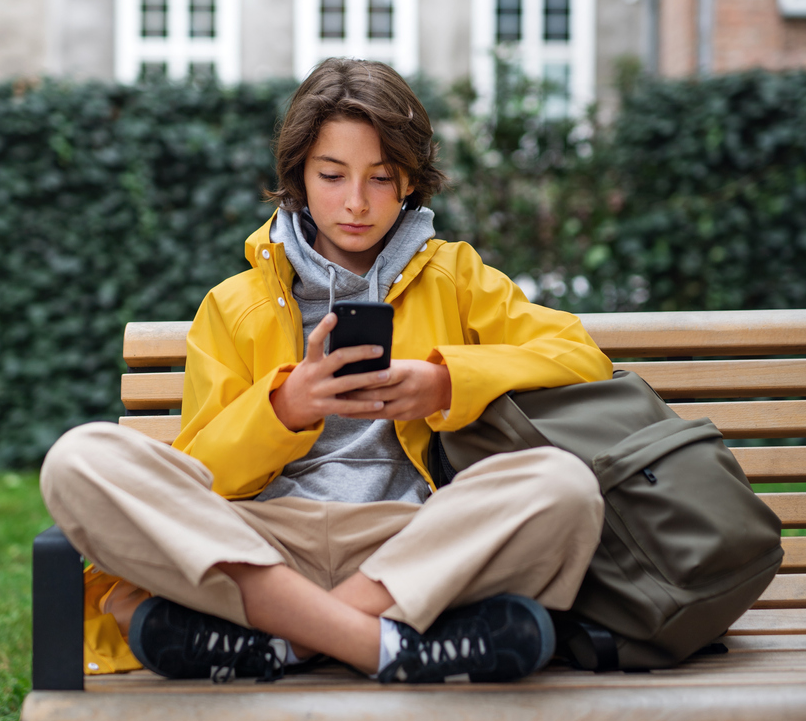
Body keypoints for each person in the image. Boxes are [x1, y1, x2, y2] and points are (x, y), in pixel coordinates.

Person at [41, 58, 612, 686]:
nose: (357, 203)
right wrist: (286, 406)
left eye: (381, 177)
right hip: (264, 545)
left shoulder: (457, 276)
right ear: (299, 178)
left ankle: (288, 643)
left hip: (413, 540)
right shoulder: (234, 305)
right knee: (78, 459)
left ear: (410, 184)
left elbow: (581, 358)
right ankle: (388, 646)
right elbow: (205, 476)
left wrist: (448, 381)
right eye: (333, 175)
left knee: (563, 485)